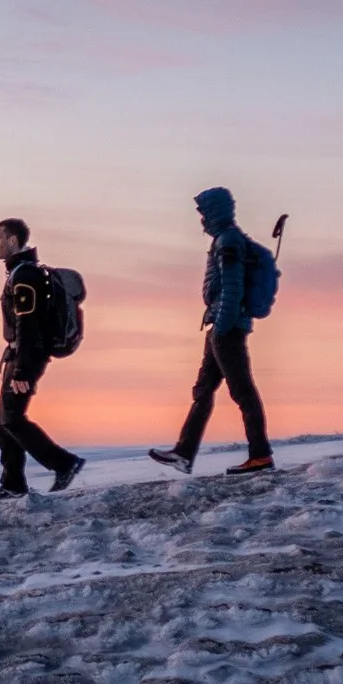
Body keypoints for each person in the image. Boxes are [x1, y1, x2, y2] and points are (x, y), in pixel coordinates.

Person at [149, 187, 274, 475]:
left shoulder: (228, 241)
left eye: (204, 212)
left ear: (216, 212)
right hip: (220, 323)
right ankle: (184, 453)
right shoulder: (225, 239)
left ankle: (261, 455)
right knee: (203, 390)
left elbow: (232, 287)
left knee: (243, 392)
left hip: (226, 327)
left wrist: (222, 327)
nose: (201, 219)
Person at [0, 217, 86, 500]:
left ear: (13, 240)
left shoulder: (25, 276)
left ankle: (64, 463)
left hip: (27, 356)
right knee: (3, 419)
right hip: (20, 354)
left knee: (12, 419)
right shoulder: (21, 272)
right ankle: (13, 483)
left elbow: (28, 325)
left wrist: (23, 371)